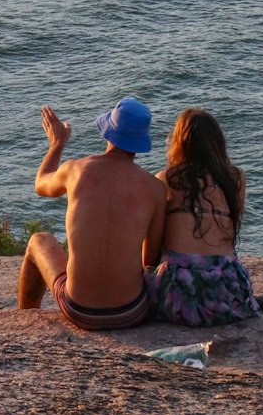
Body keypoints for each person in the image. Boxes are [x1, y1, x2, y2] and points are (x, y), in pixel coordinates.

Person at [18, 98, 166, 330]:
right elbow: (151, 261)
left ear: (108, 132)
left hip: (78, 310)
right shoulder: (155, 188)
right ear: (141, 142)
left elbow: (41, 184)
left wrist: (57, 143)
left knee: (39, 240)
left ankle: (24, 322)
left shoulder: (75, 169)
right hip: (132, 311)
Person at [145, 108, 261, 326]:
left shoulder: (165, 179)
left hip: (177, 294)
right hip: (226, 292)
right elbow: (231, 232)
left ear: (179, 143)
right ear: (218, 143)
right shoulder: (236, 179)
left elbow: (150, 253)